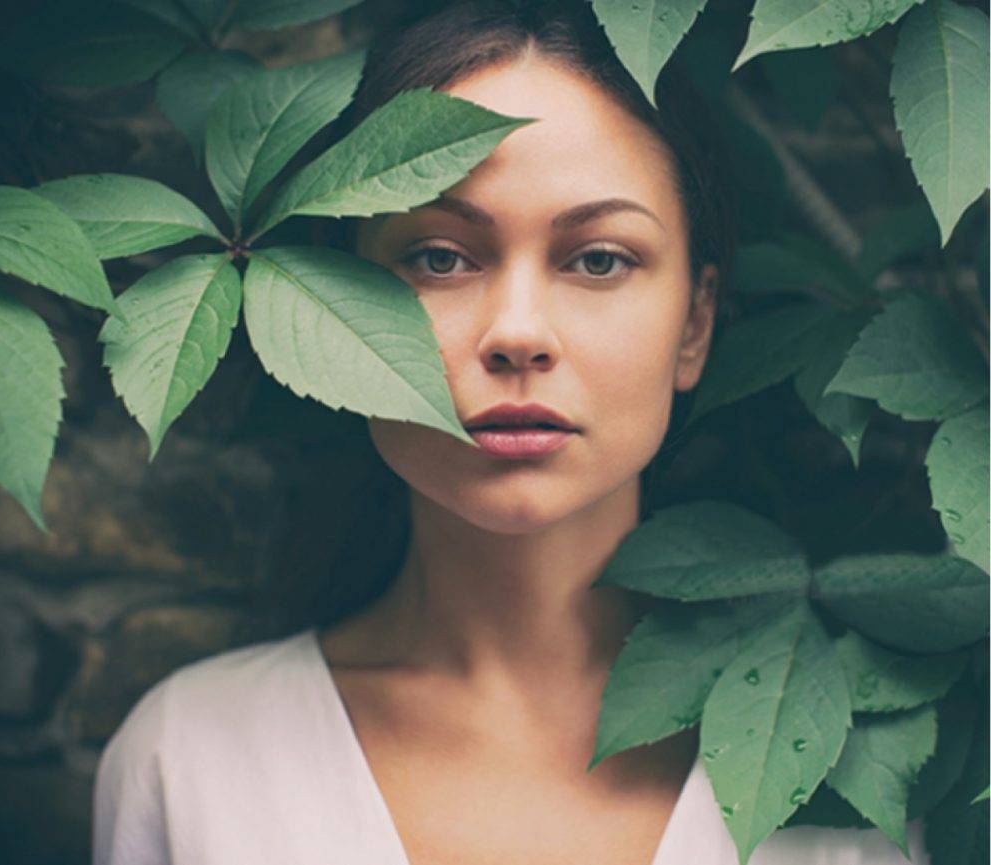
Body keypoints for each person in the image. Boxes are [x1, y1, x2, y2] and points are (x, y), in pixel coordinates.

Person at [92, 2, 930, 863]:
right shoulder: (193, 761)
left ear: (696, 323)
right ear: (329, 301)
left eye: (599, 258)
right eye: (439, 257)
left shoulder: (860, 771)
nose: (517, 332)